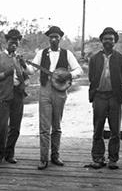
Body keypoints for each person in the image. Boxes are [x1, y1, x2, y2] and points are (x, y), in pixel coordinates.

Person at [26, 26, 83, 170]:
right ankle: (43, 158)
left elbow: (79, 70)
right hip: (45, 90)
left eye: (56, 36)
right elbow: (31, 70)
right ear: (48, 38)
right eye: (51, 36)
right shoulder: (41, 53)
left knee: (56, 126)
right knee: (44, 127)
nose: (53, 39)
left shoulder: (67, 53)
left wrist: (67, 75)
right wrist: (23, 65)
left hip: (60, 91)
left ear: (60, 38)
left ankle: (55, 156)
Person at [88, 27, 122, 169]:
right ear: (101, 41)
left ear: (114, 41)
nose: (108, 41)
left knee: (115, 130)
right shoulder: (94, 58)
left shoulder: (121, 59)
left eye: (111, 39)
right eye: (105, 39)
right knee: (97, 129)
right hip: (99, 97)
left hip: (114, 97)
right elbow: (91, 77)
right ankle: (98, 158)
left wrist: (118, 90)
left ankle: (113, 159)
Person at [0, 29, 30, 166]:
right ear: (6, 42)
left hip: (18, 95)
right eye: (12, 42)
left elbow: (27, 76)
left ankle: (9, 154)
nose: (14, 44)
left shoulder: (20, 58)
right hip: (4, 95)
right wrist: (6, 74)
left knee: (15, 127)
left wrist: (24, 66)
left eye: (17, 42)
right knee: (2, 127)